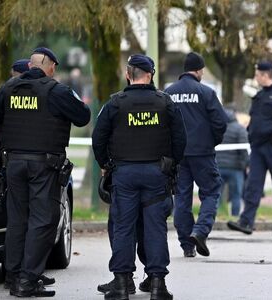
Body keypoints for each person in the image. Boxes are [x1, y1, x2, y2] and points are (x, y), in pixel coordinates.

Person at [0, 47, 91, 297]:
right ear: (49, 66)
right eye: (54, 67)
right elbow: (83, 116)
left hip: (15, 164)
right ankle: (28, 280)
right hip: (44, 165)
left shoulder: (9, 89)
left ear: (30, 66)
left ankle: (13, 275)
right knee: (43, 220)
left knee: (18, 220)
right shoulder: (56, 91)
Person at [92, 54, 186, 300]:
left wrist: (105, 165)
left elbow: (98, 138)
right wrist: (172, 165)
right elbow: (180, 139)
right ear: (151, 75)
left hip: (124, 174)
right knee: (155, 228)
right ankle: (157, 285)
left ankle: (122, 284)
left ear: (127, 74)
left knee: (123, 227)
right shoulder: (165, 103)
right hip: (157, 173)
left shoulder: (115, 104)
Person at [164, 52, 227, 257]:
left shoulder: (168, 93)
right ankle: (200, 231)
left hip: (178, 154)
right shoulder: (206, 92)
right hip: (203, 153)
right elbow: (220, 122)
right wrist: (211, 142)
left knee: (182, 197)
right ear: (199, 70)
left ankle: (187, 246)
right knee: (211, 191)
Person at [227, 61, 272, 235]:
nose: (255, 77)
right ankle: (246, 222)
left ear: (266, 75)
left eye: (257, 74)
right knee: (253, 185)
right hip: (258, 148)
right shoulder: (259, 96)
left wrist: (268, 130)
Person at [216, 107, 248, 217]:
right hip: (235, 168)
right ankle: (235, 216)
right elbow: (244, 149)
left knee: (216, 194)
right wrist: (244, 165)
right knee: (236, 195)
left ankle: (216, 215)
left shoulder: (217, 128)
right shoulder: (240, 129)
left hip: (218, 166)